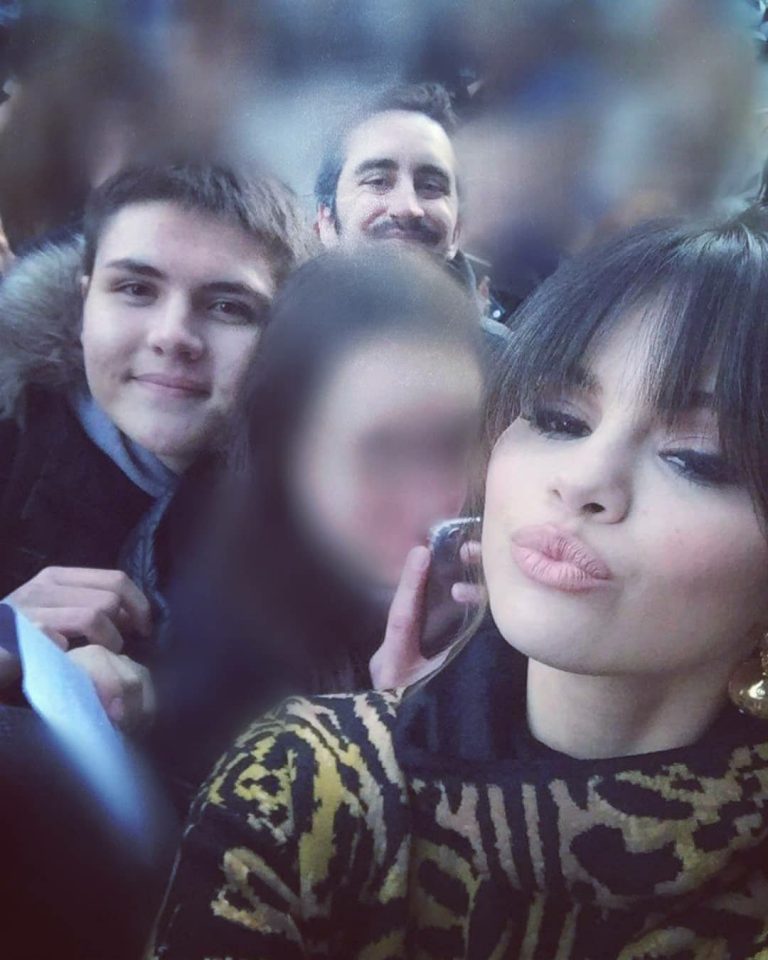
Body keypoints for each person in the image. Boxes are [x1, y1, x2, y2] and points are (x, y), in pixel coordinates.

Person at [152, 208, 768, 959]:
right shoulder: (302, 780)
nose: (581, 480)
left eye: (698, 457)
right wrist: (401, 742)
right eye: (560, 418)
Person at [132, 246, 484, 812]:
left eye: (454, 442)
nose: (433, 499)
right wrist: (388, 732)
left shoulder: (505, 605)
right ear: (284, 452)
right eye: (383, 451)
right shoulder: (209, 666)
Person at [0, 161, 315, 723]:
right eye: (136, 289)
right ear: (83, 305)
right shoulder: (11, 440)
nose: (173, 336)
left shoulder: (317, 520)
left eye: (228, 306)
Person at [314, 81, 509, 343]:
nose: (408, 208)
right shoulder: (272, 345)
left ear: (456, 231)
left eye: (430, 186)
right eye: (378, 181)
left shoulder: (507, 359)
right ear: (326, 221)